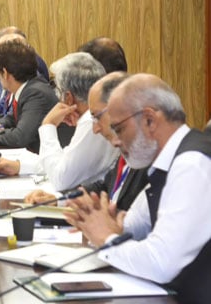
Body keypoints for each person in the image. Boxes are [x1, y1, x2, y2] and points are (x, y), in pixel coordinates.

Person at [65, 74, 211, 303]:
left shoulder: (192, 163)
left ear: (150, 120)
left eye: (119, 129)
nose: (114, 141)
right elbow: (132, 225)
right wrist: (101, 223)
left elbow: (161, 262)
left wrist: (107, 238)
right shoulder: (164, 164)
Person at [0, 53, 118, 190]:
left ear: (68, 97)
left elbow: (60, 179)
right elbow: (65, 161)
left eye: (57, 89)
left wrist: (48, 125)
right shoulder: (91, 118)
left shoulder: (91, 121)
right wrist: (20, 166)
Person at [24, 72, 149, 211]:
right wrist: (59, 200)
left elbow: (61, 178)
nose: (94, 129)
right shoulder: (129, 149)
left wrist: (48, 125)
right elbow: (103, 188)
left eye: (97, 117)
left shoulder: (151, 160)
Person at [0, 40, 58, 152]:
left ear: (5, 73)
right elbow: (14, 117)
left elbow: (20, 137)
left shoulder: (36, 93)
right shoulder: (29, 87)